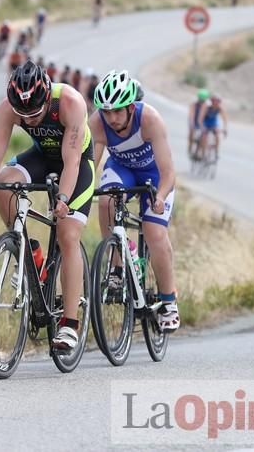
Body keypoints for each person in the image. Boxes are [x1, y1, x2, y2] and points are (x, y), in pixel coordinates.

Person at [0, 60, 95, 351]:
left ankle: (69, 324)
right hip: (42, 156)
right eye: (24, 115)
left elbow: (71, 161)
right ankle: (29, 252)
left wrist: (62, 199)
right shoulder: (7, 109)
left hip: (76, 163)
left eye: (35, 114)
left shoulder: (69, 102)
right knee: (3, 182)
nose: (30, 121)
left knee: (67, 234)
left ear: (47, 97)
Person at [89, 70, 179, 333]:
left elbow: (168, 172)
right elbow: (90, 165)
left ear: (131, 107)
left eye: (117, 111)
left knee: (154, 232)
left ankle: (168, 302)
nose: (112, 118)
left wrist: (160, 197)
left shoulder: (149, 119)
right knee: (106, 201)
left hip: (154, 175)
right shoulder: (97, 123)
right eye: (106, 112)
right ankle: (117, 266)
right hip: (123, 169)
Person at [196, 94, 228, 161]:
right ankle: (203, 153)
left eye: (218, 102)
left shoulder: (220, 108)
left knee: (217, 136)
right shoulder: (206, 107)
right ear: (212, 101)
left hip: (213, 123)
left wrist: (225, 128)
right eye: (214, 101)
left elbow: (224, 119)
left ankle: (216, 152)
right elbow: (200, 118)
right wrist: (202, 127)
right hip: (205, 122)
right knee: (204, 135)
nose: (216, 103)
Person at [188, 88, 208, 158]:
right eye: (200, 99)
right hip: (194, 121)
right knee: (191, 133)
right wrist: (192, 123)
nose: (201, 101)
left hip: (201, 122)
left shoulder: (206, 105)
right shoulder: (194, 104)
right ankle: (190, 148)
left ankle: (199, 152)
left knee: (203, 135)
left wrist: (201, 125)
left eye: (203, 100)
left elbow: (202, 117)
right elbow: (191, 115)